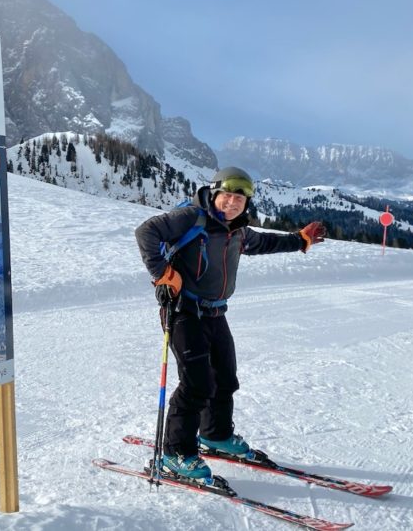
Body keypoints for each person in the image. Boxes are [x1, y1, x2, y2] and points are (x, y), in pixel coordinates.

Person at [134, 166, 326, 480]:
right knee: (197, 384)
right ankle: (176, 452)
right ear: (214, 193)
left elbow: (263, 243)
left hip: (215, 312)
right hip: (184, 313)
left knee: (224, 377)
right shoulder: (192, 218)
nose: (232, 202)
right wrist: (163, 274)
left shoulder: (235, 230)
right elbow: (146, 232)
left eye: (239, 198)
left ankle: (215, 436)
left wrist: (299, 241)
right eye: (228, 196)